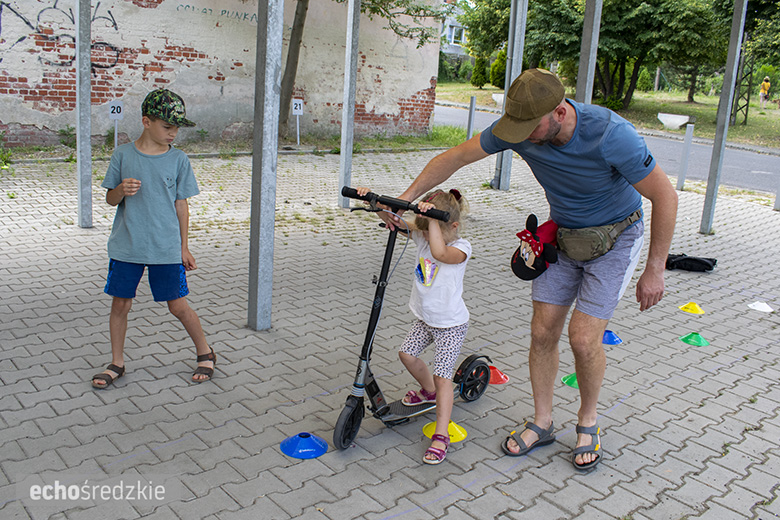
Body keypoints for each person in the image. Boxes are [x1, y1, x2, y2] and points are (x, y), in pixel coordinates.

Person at [384, 68, 678, 471]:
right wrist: (404, 200)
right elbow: (452, 158)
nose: (520, 136)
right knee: (542, 332)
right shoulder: (519, 129)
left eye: (530, 126)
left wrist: (655, 268)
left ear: (559, 112)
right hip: (561, 236)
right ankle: (542, 422)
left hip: (615, 237)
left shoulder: (612, 134)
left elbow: (665, 197)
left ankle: (588, 422)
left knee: (583, 338)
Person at [91, 88, 216, 389]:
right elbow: (109, 199)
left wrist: (183, 247)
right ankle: (116, 362)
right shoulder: (122, 154)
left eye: (176, 128)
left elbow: (181, 205)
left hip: (165, 248)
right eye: (167, 127)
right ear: (146, 122)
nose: (173, 133)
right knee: (120, 304)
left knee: (178, 306)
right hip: (127, 246)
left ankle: (206, 352)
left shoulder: (178, 159)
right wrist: (120, 190)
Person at [358, 186, 471, 465]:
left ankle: (441, 435)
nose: (425, 232)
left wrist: (431, 220)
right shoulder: (423, 235)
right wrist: (374, 200)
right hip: (426, 319)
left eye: (432, 227)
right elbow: (395, 225)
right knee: (406, 354)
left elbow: (440, 253)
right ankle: (428, 391)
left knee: (444, 376)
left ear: (453, 226)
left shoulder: (461, 248)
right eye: (424, 227)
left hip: (450, 325)